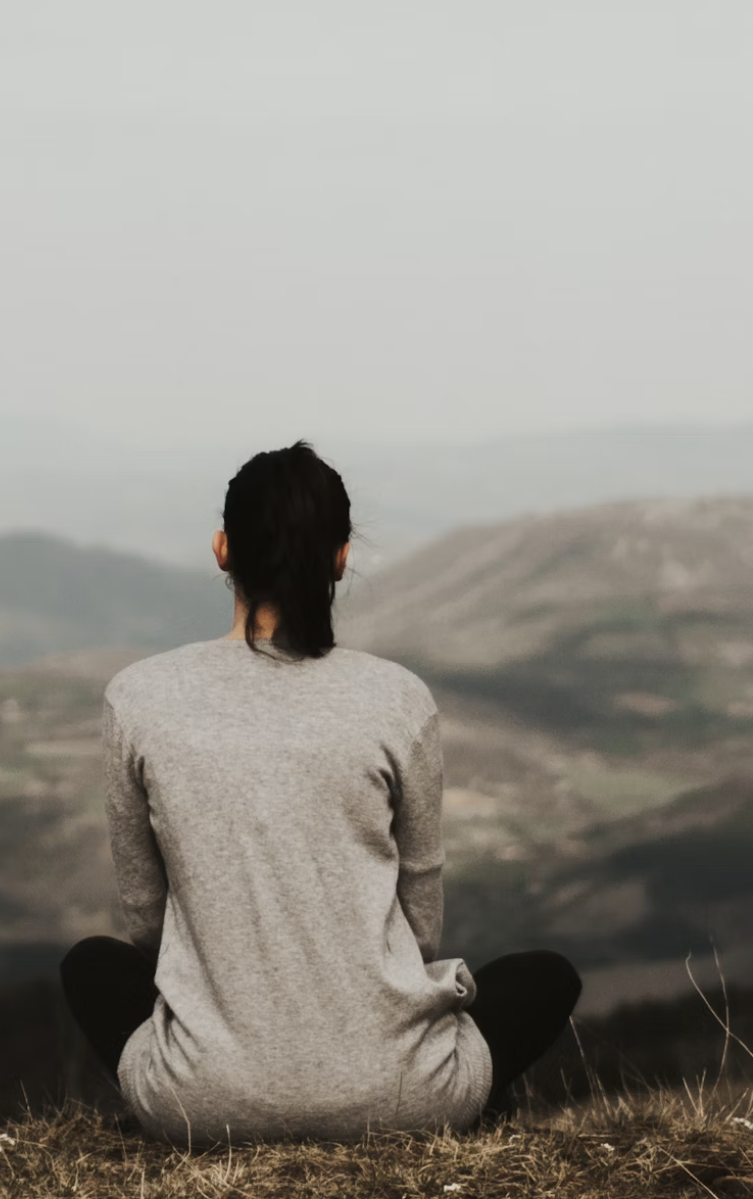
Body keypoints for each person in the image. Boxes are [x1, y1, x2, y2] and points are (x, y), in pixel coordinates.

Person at [60, 441, 581, 1143]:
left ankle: (221, 1086)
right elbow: (421, 921)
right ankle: (434, 1102)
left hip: (202, 1104)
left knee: (91, 967)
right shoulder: (398, 697)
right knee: (544, 977)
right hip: (404, 1097)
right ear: (340, 558)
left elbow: (145, 921)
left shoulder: (138, 697)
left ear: (222, 549)